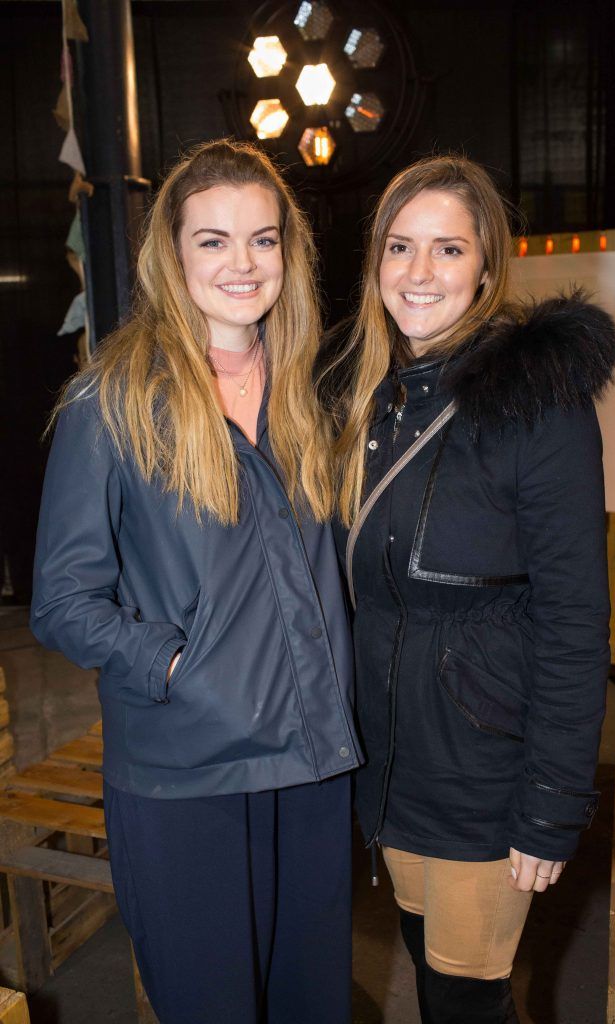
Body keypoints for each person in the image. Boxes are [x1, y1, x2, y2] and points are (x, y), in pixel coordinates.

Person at [31, 139, 360, 1024]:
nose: (242, 263)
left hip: (313, 768)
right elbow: (61, 601)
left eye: (263, 239)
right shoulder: (113, 403)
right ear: (172, 258)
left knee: (310, 1007)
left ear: (289, 253)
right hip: (189, 777)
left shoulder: (311, 396)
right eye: (212, 240)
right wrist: (182, 669)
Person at [320, 155, 615, 1023]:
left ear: (487, 267)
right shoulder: (370, 400)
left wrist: (551, 804)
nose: (418, 274)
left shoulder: (537, 405)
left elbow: (573, 618)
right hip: (386, 764)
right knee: (427, 973)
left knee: (462, 1000)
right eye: (399, 247)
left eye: (447, 250)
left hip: (484, 774)